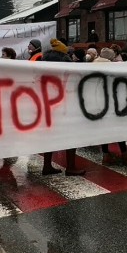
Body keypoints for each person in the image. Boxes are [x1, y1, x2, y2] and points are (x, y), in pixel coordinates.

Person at [40, 39, 86, 176]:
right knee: (71, 135)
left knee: (49, 137)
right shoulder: (65, 65)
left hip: (48, 106)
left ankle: (47, 165)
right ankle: (71, 167)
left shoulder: (43, 65)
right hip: (65, 106)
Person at [93, 48, 127, 165]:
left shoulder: (92, 65)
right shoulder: (112, 67)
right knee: (117, 128)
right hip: (112, 102)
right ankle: (124, 152)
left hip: (98, 103)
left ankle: (106, 154)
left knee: (104, 131)